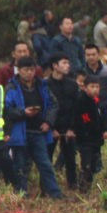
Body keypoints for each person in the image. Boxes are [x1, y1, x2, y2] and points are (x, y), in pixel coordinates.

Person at [5, 57, 64, 199]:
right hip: (20, 132)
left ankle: (55, 194)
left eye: (32, 69)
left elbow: (54, 104)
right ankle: (21, 194)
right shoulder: (12, 87)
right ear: (19, 70)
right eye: (26, 70)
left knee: (45, 164)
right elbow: (7, 109)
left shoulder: (42, 85)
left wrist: (48, 122)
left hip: (38, 131)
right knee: (20, 165)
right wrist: (23, 112)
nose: (29, 73)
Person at [45, 56, 84, 189]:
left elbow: (77, 108)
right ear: (55, 66)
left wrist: (72, 128)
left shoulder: (72, 84)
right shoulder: (45, 84)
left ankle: (72, 185)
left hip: (68, 126)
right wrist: (51, 128)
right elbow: (44, 107)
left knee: (70, 158)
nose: (68, 65)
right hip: (51, 126)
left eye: (68, 62)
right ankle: (47, 186)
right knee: (46, 158)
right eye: (64, 63)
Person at [71, 74, 106, 192]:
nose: (95, 89)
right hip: (85, 138)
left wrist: (103, 130)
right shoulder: (81, 101)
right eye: (92, 86)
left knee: (94, 164)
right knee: (86, 164)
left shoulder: (96, 101)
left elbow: (100, 118)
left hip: (95, 139)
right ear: (85, 87)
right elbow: (84, 120)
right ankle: (83, 188)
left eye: (97, 87)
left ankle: (87, 186)